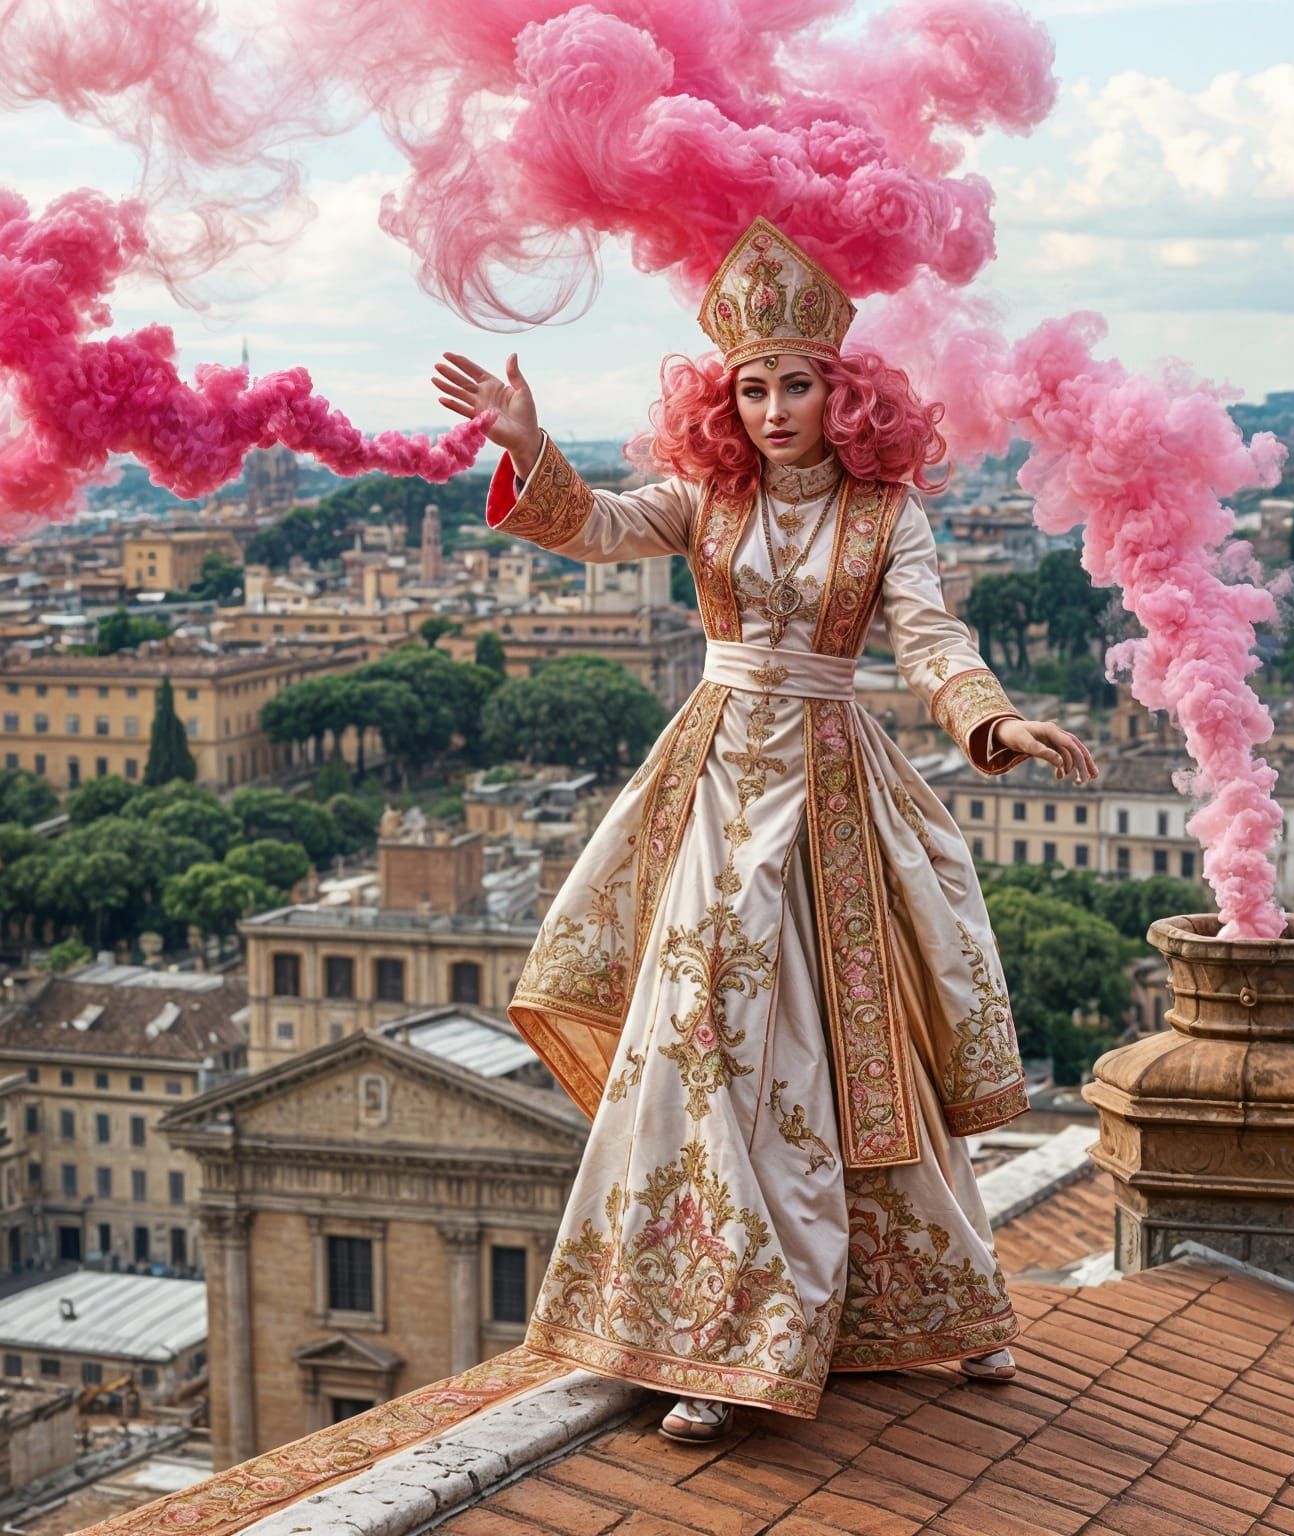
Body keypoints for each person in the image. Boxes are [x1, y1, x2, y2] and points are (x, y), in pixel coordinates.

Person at [432, 215, 1098, 1443]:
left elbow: (932, 638)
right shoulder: (705, 499)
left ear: (843, 394)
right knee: (699, 1046)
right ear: (721, 399)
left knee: (861, 1053)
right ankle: (710, 1332)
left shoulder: (889, 514)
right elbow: (602, 527)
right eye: (753, 386)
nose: (775, 406)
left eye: (797, 383)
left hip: (839, 798)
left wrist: (993, 727)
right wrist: (530, 446)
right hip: (715, 791)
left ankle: (927, 1306)